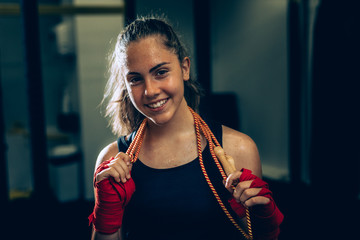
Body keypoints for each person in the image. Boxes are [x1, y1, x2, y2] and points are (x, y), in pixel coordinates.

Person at [88, 16, 283, 240]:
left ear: (184, 68)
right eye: (135, 79)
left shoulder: (239, 149)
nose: (150, 91)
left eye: (160, 72)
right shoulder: (113, 160)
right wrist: (106, 219)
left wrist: (265, 224)